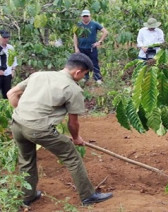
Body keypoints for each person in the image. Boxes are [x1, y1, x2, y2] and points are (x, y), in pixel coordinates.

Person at [7, 53, 113, 207]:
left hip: (17, 124)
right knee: (72, 158)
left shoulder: (39, 75)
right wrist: (76, 138)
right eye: (84, 74)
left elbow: (11, 93)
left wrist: (26, 116)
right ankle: (88, 196)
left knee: (26, 160)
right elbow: (73, 123)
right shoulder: (73, 89)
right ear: (77, 72)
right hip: (39, 129)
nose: (83, 78)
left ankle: (27, 196)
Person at [73, 9, 108, 85]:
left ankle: (97, 78)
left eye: (87, 16)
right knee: (83, 63)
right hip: (82, 48)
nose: (85, 18)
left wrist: (99, 42)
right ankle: (85, 77)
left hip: (92, 48)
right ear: (81, 17)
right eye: (84, 16)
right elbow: (75, 36)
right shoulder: (78, 25)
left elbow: (105, 32)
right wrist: (76, 47)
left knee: (94, 63)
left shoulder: (94, 24)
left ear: (90, 16)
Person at [0, 30, 10, 98]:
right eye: (4, 38)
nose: (6, 39)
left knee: (7, 94)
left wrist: (13, 70)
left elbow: (4, 57)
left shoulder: (10, 48)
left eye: (7, 37)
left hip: (6, 74)